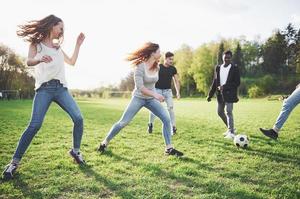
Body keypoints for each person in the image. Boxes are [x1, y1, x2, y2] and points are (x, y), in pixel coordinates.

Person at [2, 15, 86, 180]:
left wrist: (78, 44)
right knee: (35, 125)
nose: (62, 31)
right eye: (60, 28)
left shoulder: (57, 48)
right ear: (52, 26)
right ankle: (14, 163)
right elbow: (29, 61)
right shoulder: (36, 44)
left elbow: (72, 62)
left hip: (61, 89)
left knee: (79, 118)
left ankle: (76, 152)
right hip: (44, 89)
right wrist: (39, 58)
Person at [97, 42, 183, 157]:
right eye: (158, 51)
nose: (160, 53)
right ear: (152, 53)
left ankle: (169, 148)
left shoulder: (157, 66)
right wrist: (156, 95)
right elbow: (141, 88)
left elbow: (163, 79)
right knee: (123, 122)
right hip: (138, 98)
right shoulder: (139, 67)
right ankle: (104, 142)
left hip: (151, 99)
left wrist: (164, 92)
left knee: (166, 119)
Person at [207, 50, 240, 139]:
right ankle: (230, 129)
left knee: (229, 111)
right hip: (220, 95)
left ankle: (232, 132)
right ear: (222, 57)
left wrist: (224, 87)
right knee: (220, 112)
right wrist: (210, 95)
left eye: (229, 57)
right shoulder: (218, 68)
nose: (227, 59)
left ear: (231, 58)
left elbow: (237, 83)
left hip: (230, 94)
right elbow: (215, 81)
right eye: (225, 57)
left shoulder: (234, 68)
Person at [147, 52, 180, 135]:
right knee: (154, 109)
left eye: (172, 59)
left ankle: (173, 127)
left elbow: (176, 81)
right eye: (170, 59)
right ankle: (150, 124)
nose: (171, 61)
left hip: (167, 91)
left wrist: (178, 92)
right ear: (165, 59)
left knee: (170, 108)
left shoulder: (173, 69)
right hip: (157, 91)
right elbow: (151, 76)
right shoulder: (159, 67)